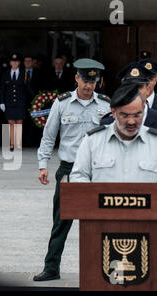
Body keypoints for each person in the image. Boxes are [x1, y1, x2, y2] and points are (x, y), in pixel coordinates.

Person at [34, 58, 111, 281]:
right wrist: (42, 165)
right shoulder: (62, 103)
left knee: (100, 221)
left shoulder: (106, 105)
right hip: (68, 169)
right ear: (76, 78)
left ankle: (105, 269)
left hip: (98, 171)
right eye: (85, 80)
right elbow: (48, 137)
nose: (88, 86)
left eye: (93, 81)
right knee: (61, 220)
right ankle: (51, 268)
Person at [101, 62, 157, 182]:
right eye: (129, 86)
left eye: (139, 87)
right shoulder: (107, 122)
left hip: (154, 196)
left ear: (148, 88)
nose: (134, 92)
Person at [0, 53, 33, 150]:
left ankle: (18, 143)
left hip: (20, 102)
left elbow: (28, 89)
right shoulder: (5, 74)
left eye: (16, 61)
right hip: (9, 102)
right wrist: (2, 102)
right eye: (13, 61)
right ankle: (11, 144)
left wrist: (35, 99)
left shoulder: (24, 73)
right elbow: (2, 89)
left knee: (19, 122)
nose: (14, 63)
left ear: (19, 63)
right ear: (10, 62)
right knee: (11, 123)